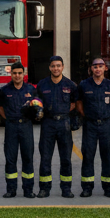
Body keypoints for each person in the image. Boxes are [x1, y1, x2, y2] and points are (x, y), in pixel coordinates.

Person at [35, 54, 78, 198]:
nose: (56, 68)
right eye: (53, 66)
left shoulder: (70, 85)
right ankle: (44, 188)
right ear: (49, 67)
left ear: (63, 67)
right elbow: (37, 102)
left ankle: (66, 189)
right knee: (45, 157)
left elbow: (74, 103)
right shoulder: (42, 84)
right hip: (48, 123)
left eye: (58, 65)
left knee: (65, 158)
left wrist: (64, 113)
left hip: (64, 124)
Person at [0, 62, 38, 198]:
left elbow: (36, 104)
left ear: (23, 74)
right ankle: (11, 189)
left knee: (27, 158)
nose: (17, 76)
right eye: (14, 73)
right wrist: (7, 118)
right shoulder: (5, 90)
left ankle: (28, 189)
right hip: (11, 126)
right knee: (10, 158)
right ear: (11, 74)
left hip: (26, 126)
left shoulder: (31, 89)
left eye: (20, 73)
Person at [77, 57, 110, 198]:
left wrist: (106, 114)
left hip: (106, 124)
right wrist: (86, 115)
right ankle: (87, 188)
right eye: (95, 66)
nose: (98, 69)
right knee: (88, 155)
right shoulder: (84, 85)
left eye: (100, 66)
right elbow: (79, 102)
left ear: (105, 68)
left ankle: (108, 188)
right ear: (91, 69)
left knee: (107, 156)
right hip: (90, 125)